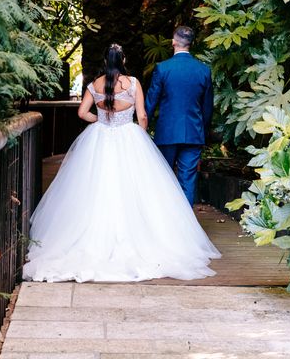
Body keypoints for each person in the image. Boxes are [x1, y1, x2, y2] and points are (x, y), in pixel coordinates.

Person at [22, 44, 220, 283]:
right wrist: (142, 134)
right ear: (124, 59)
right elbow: (143, 115)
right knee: (135, 188)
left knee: (95, 188)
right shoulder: (133, 83)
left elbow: (82, 113)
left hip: (100, 137)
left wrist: (100, 119)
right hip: (129, 136)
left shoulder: (95, 85)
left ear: (105, 61)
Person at [145, 26, 214, 207]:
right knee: (188, 180)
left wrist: (143, 125)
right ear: (191, 43)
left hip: (167, 132)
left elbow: (151, 101)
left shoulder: (163, 68)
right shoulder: (203, 70)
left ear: (173, 42)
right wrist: (203, 131)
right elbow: (207, 107)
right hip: (193, 132)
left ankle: (164, 223)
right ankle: (186, 227)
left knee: (164, 178)